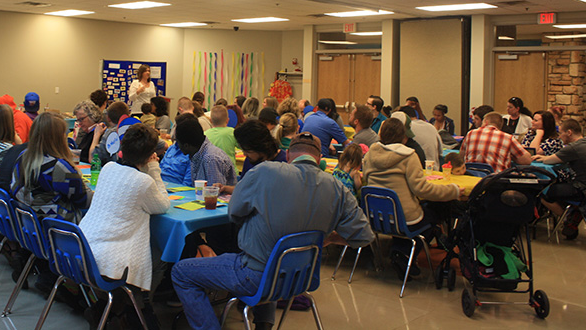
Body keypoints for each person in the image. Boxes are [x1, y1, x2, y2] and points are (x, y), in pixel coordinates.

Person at [172, 133, 374, 330]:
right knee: (272, 259)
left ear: (287, 155)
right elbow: (363, 236)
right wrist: (327, 239)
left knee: (181, 272)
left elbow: (234, 213)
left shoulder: (265, 172)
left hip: (254, 275)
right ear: (320, 159)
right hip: (300, 279)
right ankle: (264, 324)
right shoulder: (337, 188)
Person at [363, 118, 460, 278]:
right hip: (403, 219)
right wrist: (453, 191)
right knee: (435, 213)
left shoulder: (370, 155)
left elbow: (367, 181)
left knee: (413, 216)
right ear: (404, 137)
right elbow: (422, 189)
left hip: (376, 218)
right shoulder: (408, 156)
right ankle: (404, 254)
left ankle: (400, 252)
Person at [80, 123, 169, 292]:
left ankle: (116, 304)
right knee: (162, 255)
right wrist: (154, 169)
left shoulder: (108, 168)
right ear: (150, 154)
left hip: (83, 247)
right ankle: (135, 306)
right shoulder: (143, 182)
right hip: (107, 260)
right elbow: (163, 205)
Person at [11, 112, 92, 223]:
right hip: (57, 225)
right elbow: (84, 200)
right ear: (59, 138)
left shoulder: (23, 156)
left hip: (28, 223)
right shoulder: (58, 167)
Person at [534, 119, 586, 239]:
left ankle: (567, 218)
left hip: (581, 188)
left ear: (569, 132)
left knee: (542, 192)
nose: (559, 137)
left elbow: (549, 160)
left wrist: (540, 157)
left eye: (561, 133)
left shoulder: (572, 148)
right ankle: (573, 213)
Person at [161, 113, 236, 187]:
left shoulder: (211, 159)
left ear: (186, 145)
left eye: (178, 142)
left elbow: (215, 194)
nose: (176, 146)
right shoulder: (197, 153)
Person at [461, 111, 532, 172]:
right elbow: (527, 160)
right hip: (495, 181)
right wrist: (511, 156)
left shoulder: (470, 133)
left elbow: (461, 155)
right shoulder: (507, 138)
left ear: (486, 122)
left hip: (472, 177)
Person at [90, 101, 130, 166]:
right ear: (128, 116)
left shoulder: (110, 134)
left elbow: (93, 158)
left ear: (108, 118)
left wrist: (96, 135)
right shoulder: (136, 130)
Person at [204, 105, 239, 172]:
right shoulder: (232, 132)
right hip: (230, 171)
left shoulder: (205, 134)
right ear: (227, 120)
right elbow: (242, 146)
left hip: (211, 171)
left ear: (210, 120)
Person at [73, 100, 102, 164]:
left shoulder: (99, 133)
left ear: (92, 116)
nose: (79, 123)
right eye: (78, 120)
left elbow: (92, 159)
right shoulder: (87, 132)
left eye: (82, 119)